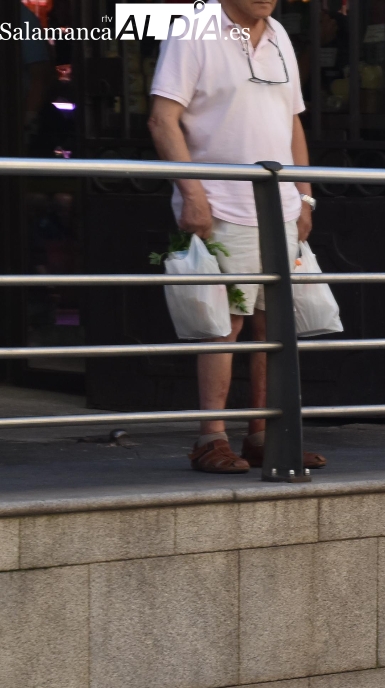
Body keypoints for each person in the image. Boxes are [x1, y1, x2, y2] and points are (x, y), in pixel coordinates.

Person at [148, 0, 327, 474]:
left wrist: (305, 197)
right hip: (221, 205)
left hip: (280, 207)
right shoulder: (195, 30)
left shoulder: (279, 35)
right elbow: (163, 118)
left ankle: (265, 434)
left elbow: (292, 122)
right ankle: (211, 437)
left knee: (274, 328)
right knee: (225, 325)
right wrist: (192, 193)